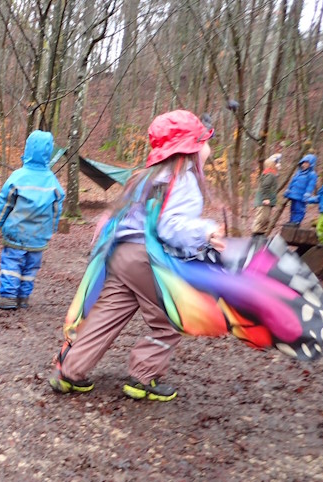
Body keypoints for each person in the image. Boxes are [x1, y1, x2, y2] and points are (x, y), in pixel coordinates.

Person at [49, 110, 224, 401]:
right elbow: (171, 226)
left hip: (121, 254)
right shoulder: (184, 178)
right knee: (168, 320)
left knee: (107, 315)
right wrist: (205, 232)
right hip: (147, 259)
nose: (210, 149)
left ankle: (70, 371)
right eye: (206, 142)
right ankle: (144, 377)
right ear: (191, 148)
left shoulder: (146, 176)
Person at [0, 131, 65, 310]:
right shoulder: (52, 181)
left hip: (17, 232)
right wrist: (52, 229)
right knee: (31, 267)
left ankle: (8, 296)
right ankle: (23, 297)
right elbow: (56, 207)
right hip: (39, 235)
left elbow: (5, 202)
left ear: (28, 150)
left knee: (11, 263)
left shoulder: (18, 176)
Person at [251, 153, 281, 235]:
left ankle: (260, 234)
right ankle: (256, 235)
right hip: (264, 201)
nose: (278, 165)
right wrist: (266, 198)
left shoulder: (271, 174)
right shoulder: (270, 174)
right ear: (272, 164)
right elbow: (265, 187)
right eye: (277, 163)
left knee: (265, 219)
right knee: (262, 218)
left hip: (265, 200)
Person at [284, 154, 318, 225]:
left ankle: (296, 221)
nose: (304, 164)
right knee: (293, 208)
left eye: (306, 163)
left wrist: (308, 193)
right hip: (293, 194)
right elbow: (293, 182)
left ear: (311, 164)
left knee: (299, 209)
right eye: (303, 162)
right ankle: (292, 221)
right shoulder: (298, 172)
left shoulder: (312, 174)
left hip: (301, 195)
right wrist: (288, 190)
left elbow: (311, 185)